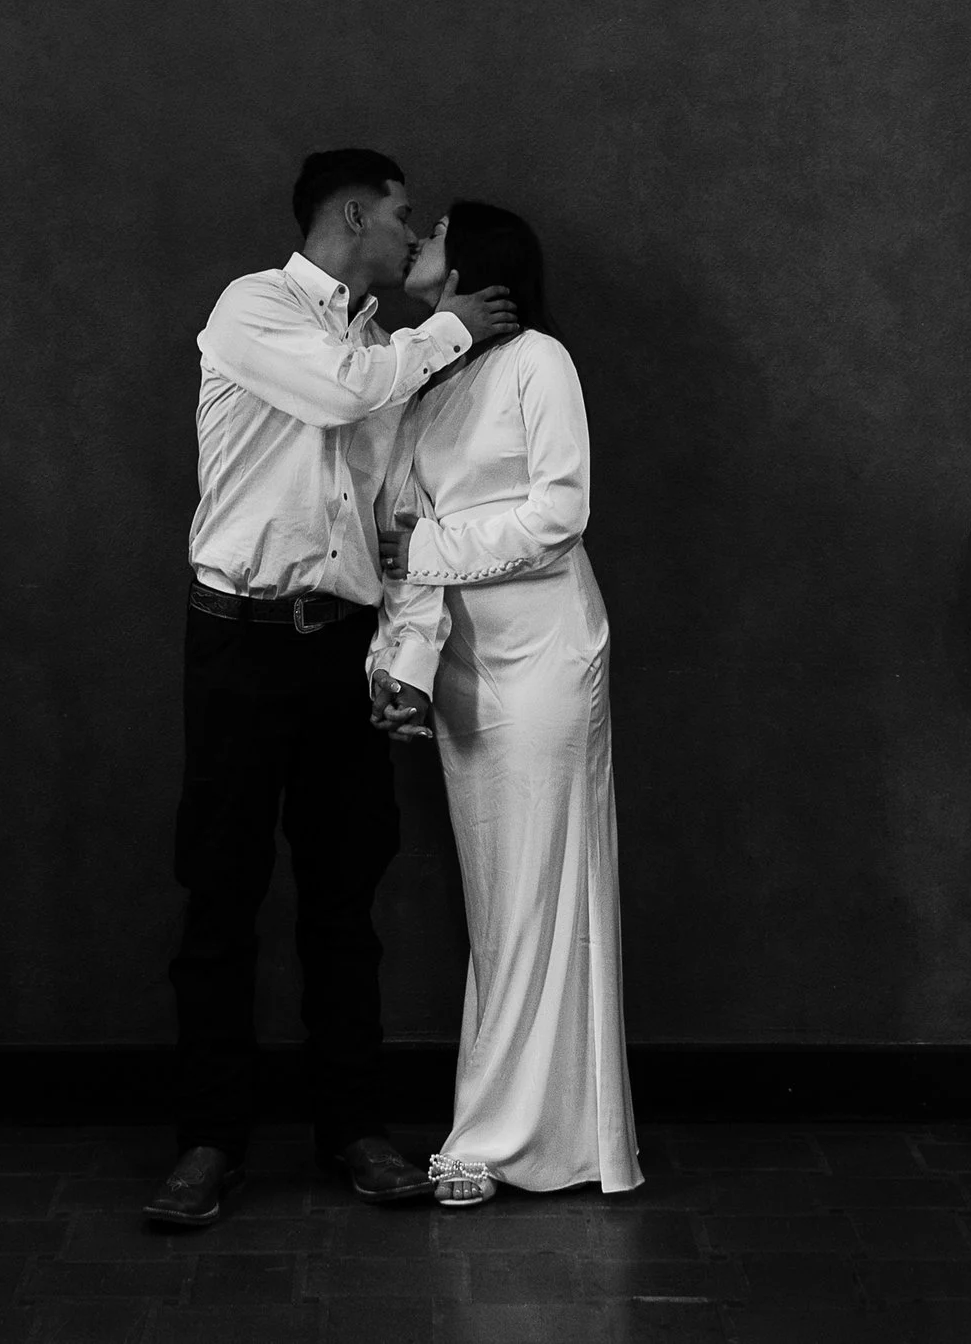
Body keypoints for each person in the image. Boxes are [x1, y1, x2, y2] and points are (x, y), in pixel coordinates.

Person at [145, 147, 520, 1235]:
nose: (411, 236)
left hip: (335, 648)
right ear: (352, 215)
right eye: (401, 217)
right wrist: (456, 329)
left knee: (344, 896)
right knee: (218, 895)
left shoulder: (378, 345)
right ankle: (208, 1143)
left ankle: (352, 1130)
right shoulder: (253, 310)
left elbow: (385, 500)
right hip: (236, 644)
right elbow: (337, 390)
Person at [370, 203, 641, 1206]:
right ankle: (544, 1136)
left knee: (534, 891)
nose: (414, 245)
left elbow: (561, 514)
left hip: (544, 654)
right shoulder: (432, 380)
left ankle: (494, 1138)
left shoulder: (539, 363)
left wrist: (427, 554)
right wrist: (399, 658)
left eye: (431, 231)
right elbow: (404, 529)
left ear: (477, 261)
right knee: (498, 898)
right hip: (463, 665)